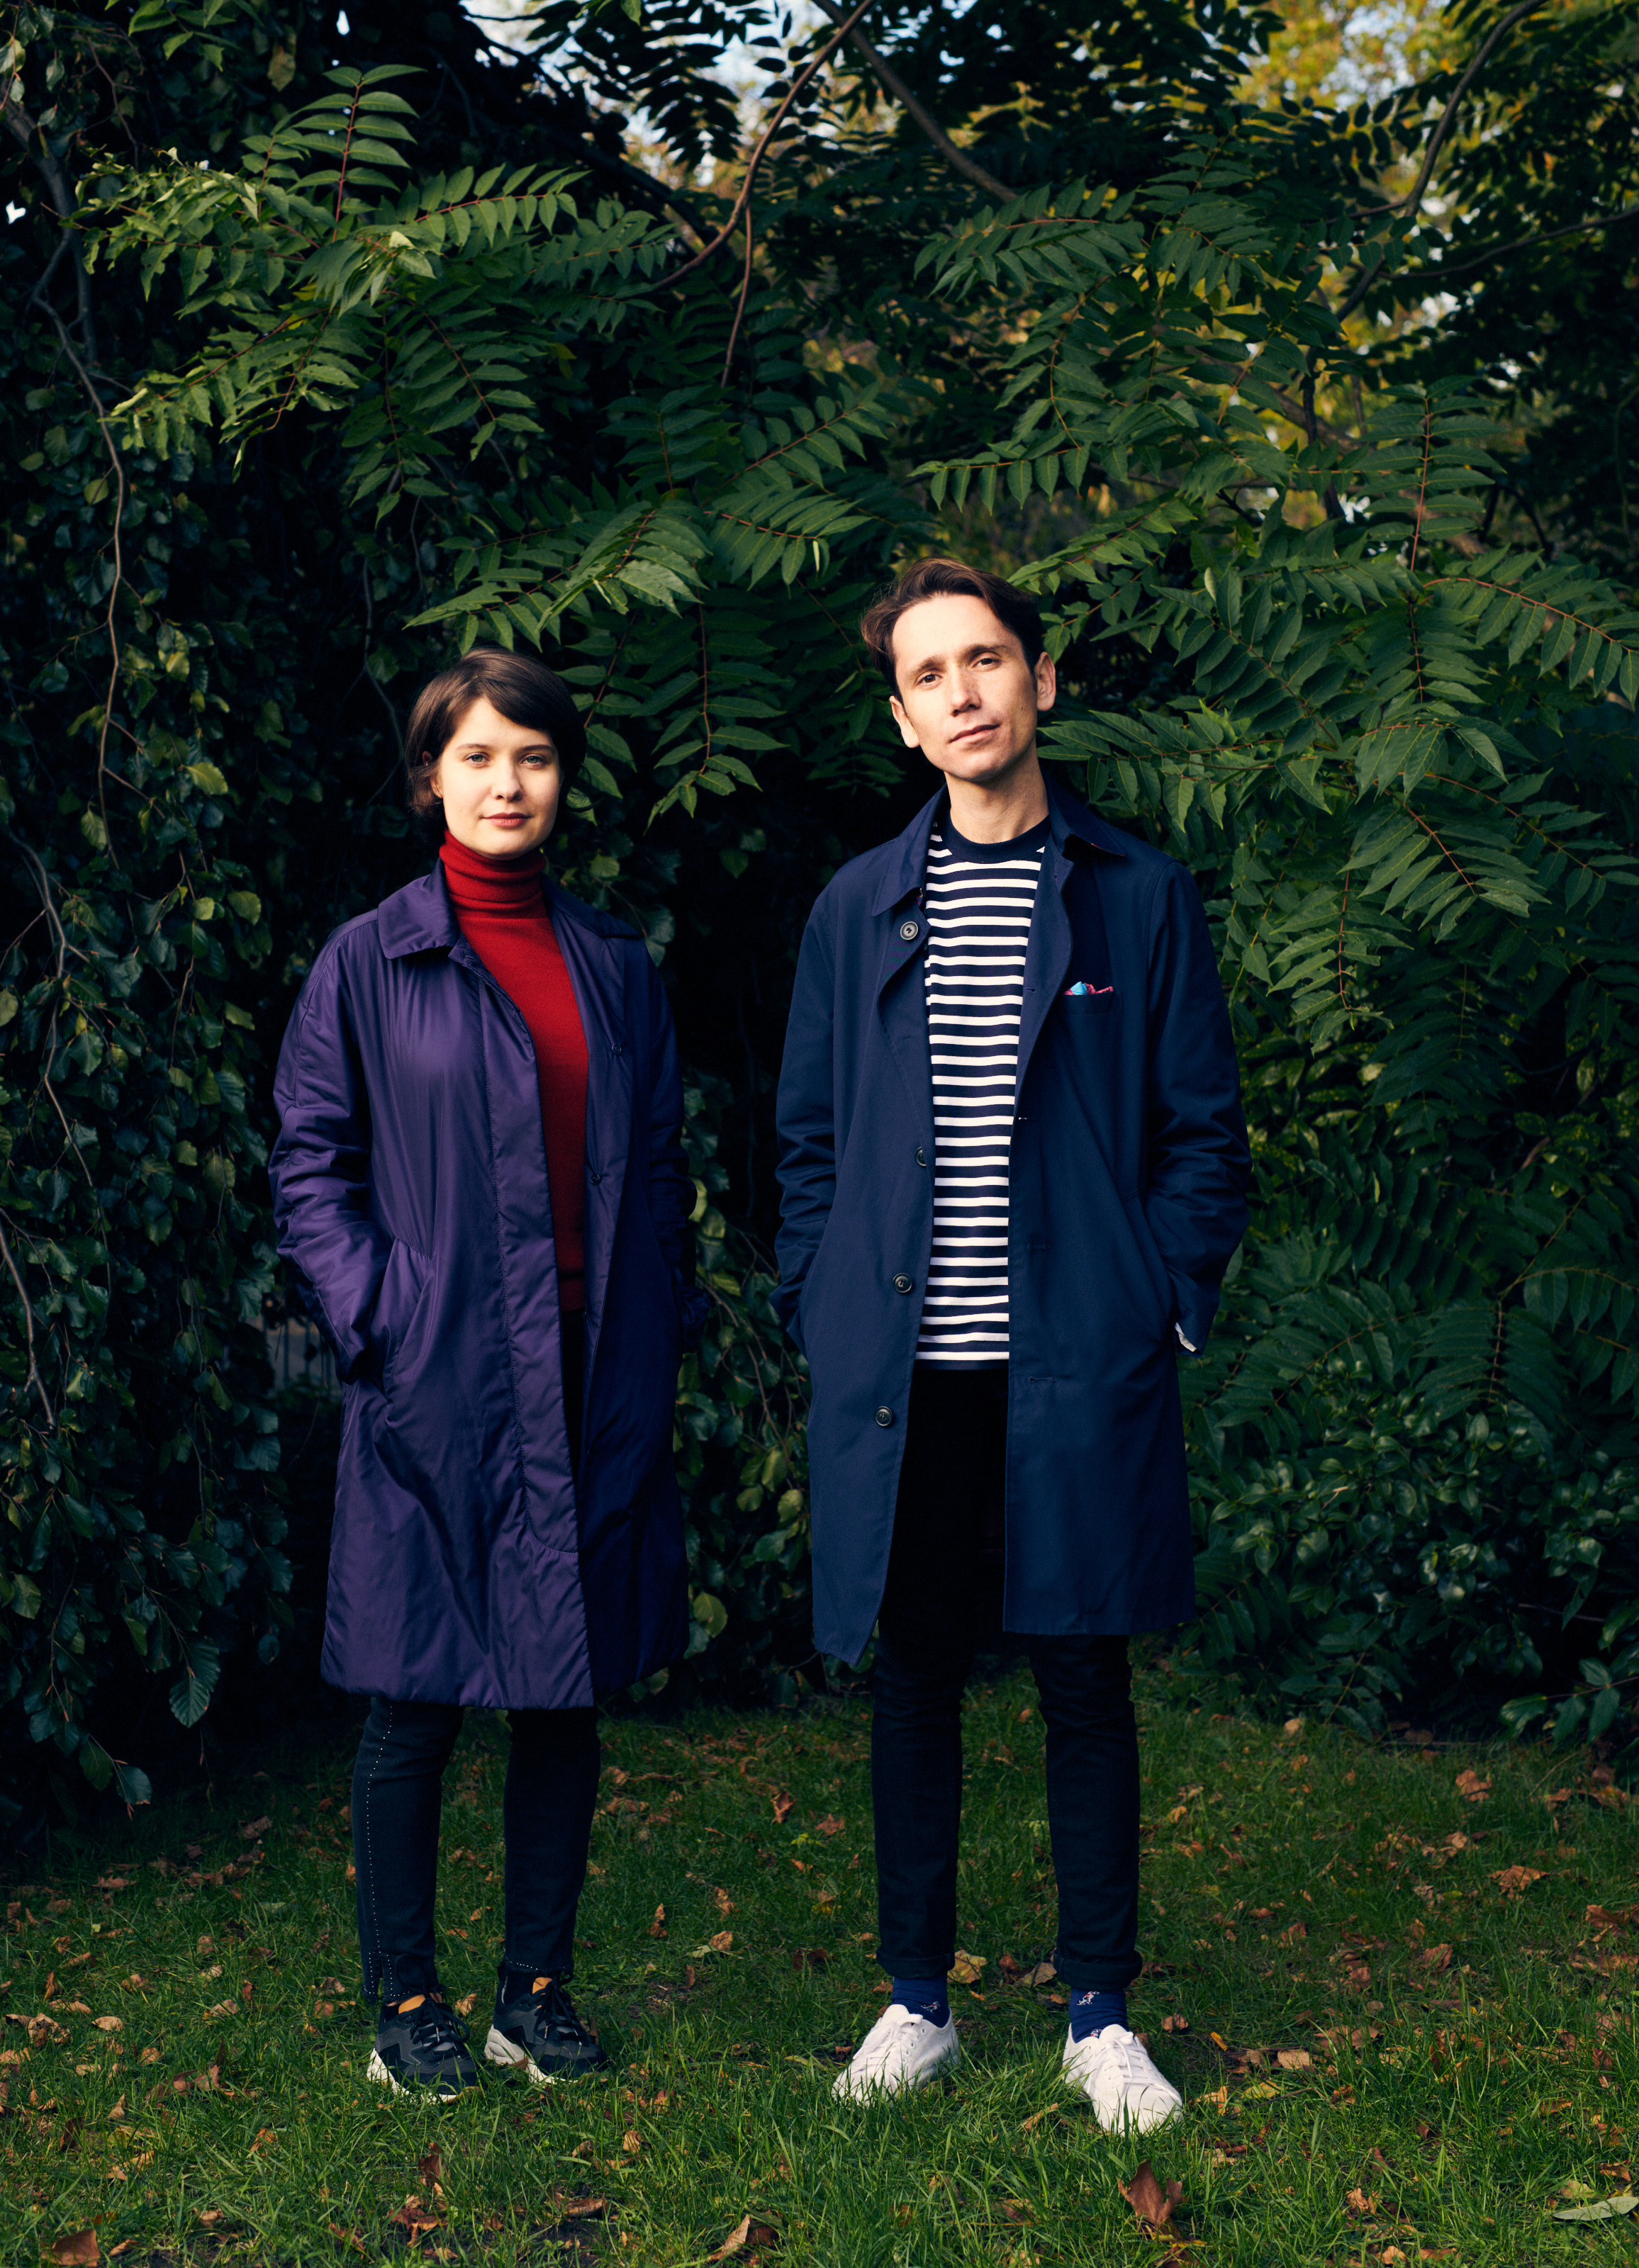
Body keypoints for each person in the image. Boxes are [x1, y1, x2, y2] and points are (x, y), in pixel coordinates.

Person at [773, 557, 1250, 2128]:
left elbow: (1200, 1137)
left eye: (985, 660)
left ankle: (1097, 2013)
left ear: (1040, 682)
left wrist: (1158, 1298)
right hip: (908, 1378)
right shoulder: (856, 908)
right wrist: (821, 1304)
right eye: (929, 675)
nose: (962, 692)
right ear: (902, 721)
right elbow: (808, 1145)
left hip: (1072, 1362)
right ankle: (915, 1998)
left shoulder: (1134, 892)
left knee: (1079, 1677)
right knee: (911, 1678)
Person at [271, 648, 704, 2098]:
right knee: (410, 1702)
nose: (505, 782)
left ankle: (535, 1992)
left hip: (590, 1385)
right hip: (437, 1385)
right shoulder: (367, 959)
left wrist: (657, 1324)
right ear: (428, 783)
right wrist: (378, 1319)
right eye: (475, 758)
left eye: (530, 756)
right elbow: (309, 1168)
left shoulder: (615, 964)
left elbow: (660, 1173)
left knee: (560, 1700)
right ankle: (405, 2000)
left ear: (560, 778)